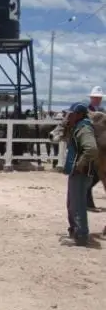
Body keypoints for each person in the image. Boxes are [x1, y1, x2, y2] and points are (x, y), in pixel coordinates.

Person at [60, 103, 99, 247]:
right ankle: (75, 231)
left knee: (78, 204)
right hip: (77, 173)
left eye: (71, 114)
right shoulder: (77, 127)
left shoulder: (84, 129)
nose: (68, 116)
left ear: (79, 115)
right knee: (72, 203)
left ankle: (81, 235)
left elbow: (91, 149)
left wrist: (79, 165)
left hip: (81, 173)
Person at [86, 86, 104, 212]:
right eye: (96, 98)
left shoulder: (102, 111)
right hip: (92, 146)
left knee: (97, 175)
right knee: (94, 174)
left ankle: (87, 200)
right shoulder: (87, 111)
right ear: (91, 98)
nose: (98, 100)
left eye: (99, 98)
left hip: (101, 148)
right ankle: (87, 201)